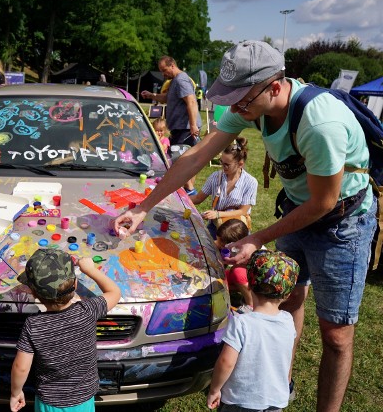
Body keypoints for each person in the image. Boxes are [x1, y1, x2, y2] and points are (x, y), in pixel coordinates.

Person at [114, 40, 377, 412]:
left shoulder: (320, 124)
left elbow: (325, 202)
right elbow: (196, 155)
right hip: (299, 210)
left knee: (335, 334)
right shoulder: (250, 105)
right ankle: (281, 383)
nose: (234, 106)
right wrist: (144, 207)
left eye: (241, 98)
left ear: (273, 86)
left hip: (343, 222)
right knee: (291, 300)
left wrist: (259, 237)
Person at [10, 250, 121, 412]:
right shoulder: (88, 310)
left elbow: (21, 367)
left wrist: (15, 392)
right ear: (75, 284)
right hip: (83, 399)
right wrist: (90, 270)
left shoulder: (34, 325)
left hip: (49, 403)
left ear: (33, 293)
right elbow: (115, 292)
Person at [207, 250, 300, 411]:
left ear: (250, 283)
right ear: (287, 294)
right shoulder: (288, 321)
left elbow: (226, 362)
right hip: (275, 400)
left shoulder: (241, 323)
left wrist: (215, 389)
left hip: (240, 401)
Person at [141, 56, 201, 194]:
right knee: (181, 161)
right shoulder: (174, 81)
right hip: (179, 128)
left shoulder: (181, 80)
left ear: (172, 65)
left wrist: (193, 125)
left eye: (164, 70)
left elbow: (191, 102)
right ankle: (187, 190)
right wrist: (151, 95)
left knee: (180, 161)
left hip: (185, 129)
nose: (163, 74)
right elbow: (167, 98)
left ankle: (190, 190)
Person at [189, 137, 258, 238]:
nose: (222, 167)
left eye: (227, 165)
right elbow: (198, 198)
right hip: (217, 225)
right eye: (221, 162)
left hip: (237, 229)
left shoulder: (251, 182)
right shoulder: (215, 177)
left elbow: (243, 211)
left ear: (240, 164)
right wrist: (177, 199)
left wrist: (217, 214)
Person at [215, 219, 253, 311]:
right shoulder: (232, 247)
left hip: (253, 277)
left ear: (233, 244)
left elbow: (244, 269)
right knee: (217, 282)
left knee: (238, 273)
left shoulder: (248, 252)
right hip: (242, 276)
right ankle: (240, 289)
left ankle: (251, 304)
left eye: (220, 242)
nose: (217, 242)